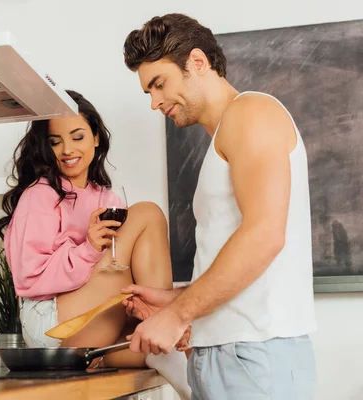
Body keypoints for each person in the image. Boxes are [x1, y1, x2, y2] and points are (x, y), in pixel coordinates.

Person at [121, 13, 318, 399]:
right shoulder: (225, 137)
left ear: (197, 62)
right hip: (230, 356)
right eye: (148, 92)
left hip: (254, 357)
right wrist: (177, 300)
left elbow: (264, 235)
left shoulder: (251, 113)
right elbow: (246, 268)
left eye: (159, 84)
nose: (155, 102)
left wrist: (178, 315)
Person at [0, 89, 191, 398]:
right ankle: (164, 318)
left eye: (77, 136)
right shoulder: (40, 195)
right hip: (52, 327)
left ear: (96, 137)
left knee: (164, 350)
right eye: (55, 141)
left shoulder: (107, 199)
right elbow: (29, 278)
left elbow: (117, 275)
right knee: (147, 214)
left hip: (93, 334)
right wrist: (87, 248)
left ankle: (149, 334)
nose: (66, 149)